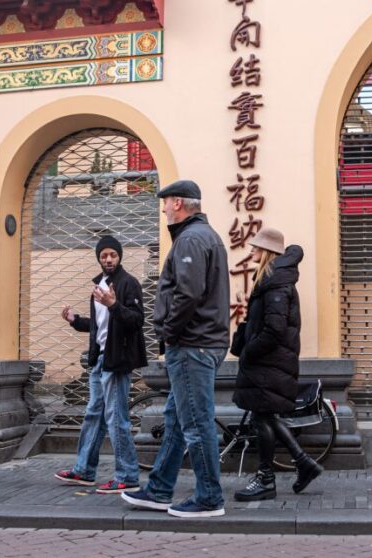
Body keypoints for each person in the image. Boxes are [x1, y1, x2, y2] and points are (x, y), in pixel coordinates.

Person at [122, 179, 230, 518]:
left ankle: (209, 497)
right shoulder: (203, 236)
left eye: (166, 203)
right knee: (176, 418)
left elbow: (187, 295)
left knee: (196, 425)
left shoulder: (191, 240)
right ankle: (158, 489)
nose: (164, 208)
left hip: (192, 345)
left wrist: (168, 334)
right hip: (200, 343)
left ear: (180, 204)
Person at [231, 227, 323, 501]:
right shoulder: (273, 280)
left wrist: (249, 351)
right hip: (270, 362)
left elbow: (274, 328)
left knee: (263, 419)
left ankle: (266, 479)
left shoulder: (276, 284)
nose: (252, 252)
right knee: (266, 416)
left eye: (256, 248)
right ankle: (303, 463)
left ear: (268, 251)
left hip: (268, 363)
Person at [54, 235, 147, 494]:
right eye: (104, 255)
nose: (108, 259)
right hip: (99, 360)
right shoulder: (99, 286)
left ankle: (127, 475)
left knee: (117, 419)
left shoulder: (129, 284)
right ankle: (84, 470)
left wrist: (114, 304)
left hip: (117, 362)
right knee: (94, 414)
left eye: (113, 255)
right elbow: (99, 328)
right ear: (99, 258)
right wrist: (75, 320)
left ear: (119, 257)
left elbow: (136, 321)